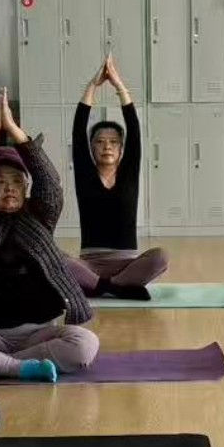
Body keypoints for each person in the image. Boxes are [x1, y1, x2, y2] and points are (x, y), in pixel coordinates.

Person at [0, 91, 99, 380]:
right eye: (0, 182)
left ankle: (0, 365)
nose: (10, 188)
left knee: (85, 344)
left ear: (26, 187)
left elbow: (50, 184)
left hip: (39, 333)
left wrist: (16, 133)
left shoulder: (39, 217)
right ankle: (20, 367)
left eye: (17, 181)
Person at [67, 55, 167, 299]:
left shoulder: (128, 173)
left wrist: (119, 85)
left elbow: (134, 129)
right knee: (54, 259)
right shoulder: (85, 174)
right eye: (100, 142)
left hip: (127, 264)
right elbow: (78, 130)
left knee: (161, 256)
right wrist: (93, 84)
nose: (107, 147)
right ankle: (117, 287)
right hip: (90, 264)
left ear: (122, 149)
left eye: (113, 142)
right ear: (91, 147)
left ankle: (102, 287)